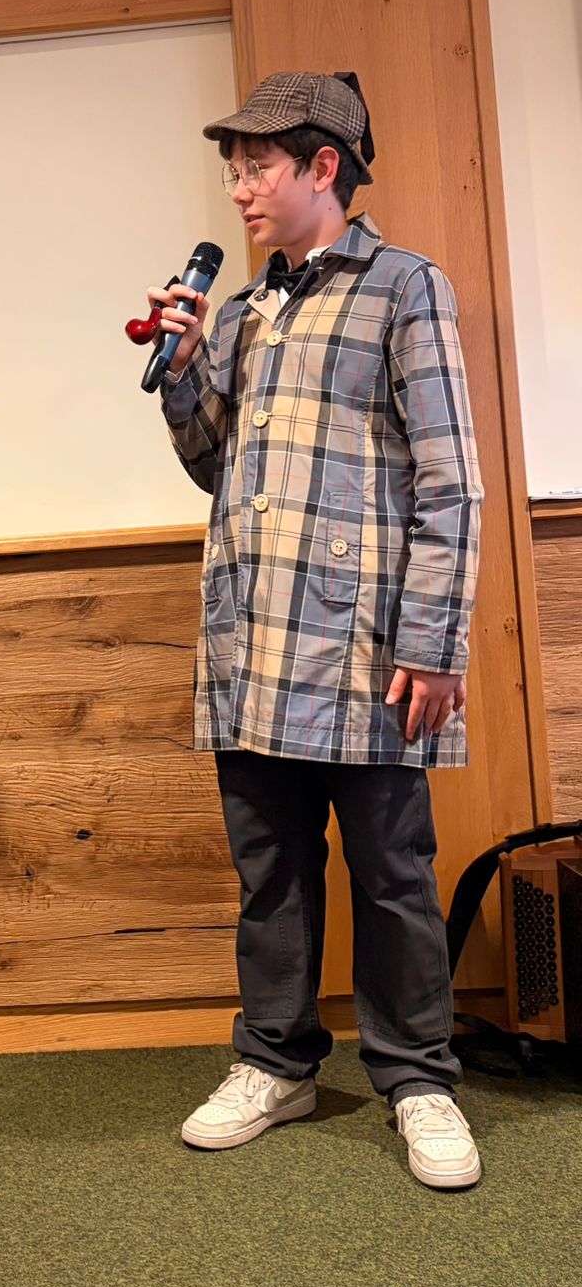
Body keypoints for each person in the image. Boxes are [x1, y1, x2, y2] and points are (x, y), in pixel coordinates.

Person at [151, 72, 484, 1190]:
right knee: (271, 871)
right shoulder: (245, 308)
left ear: (323, 166)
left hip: (365, 647)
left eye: (258, 166)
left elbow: (451, 478)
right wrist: (184, 369)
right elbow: (215, 464)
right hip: (252, 637)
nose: (240, 188)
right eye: (234, 169)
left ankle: (418, 1077)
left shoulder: (405, 288)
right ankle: (276, 1060)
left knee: (392, 872)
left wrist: (431, 641)